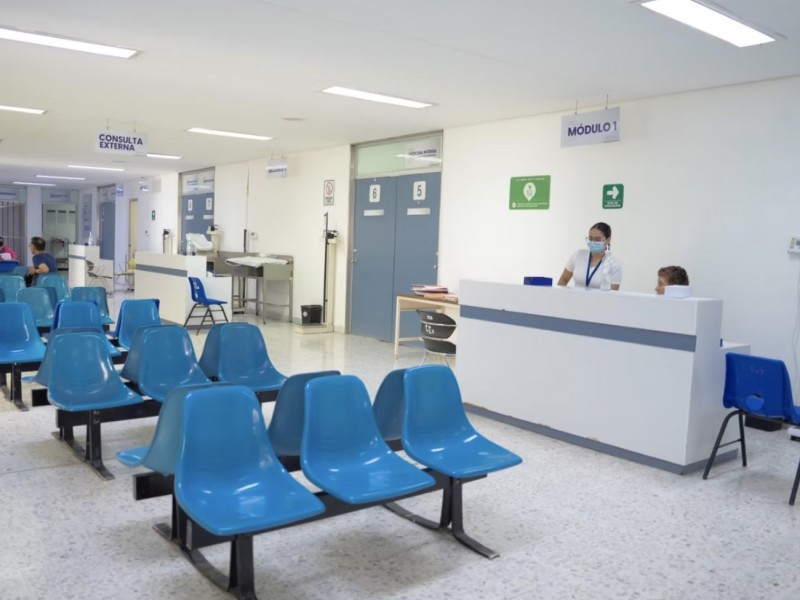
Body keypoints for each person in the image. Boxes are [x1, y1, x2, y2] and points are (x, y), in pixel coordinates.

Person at [557, 222, 622, 290]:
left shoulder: (614, 264)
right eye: (590, 238)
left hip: (599, 297)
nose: (593, 242)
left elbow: (613, 294)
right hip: (575, 296)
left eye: (597, 239)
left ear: (607, 240)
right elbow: (563, 280)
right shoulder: (578, 255)